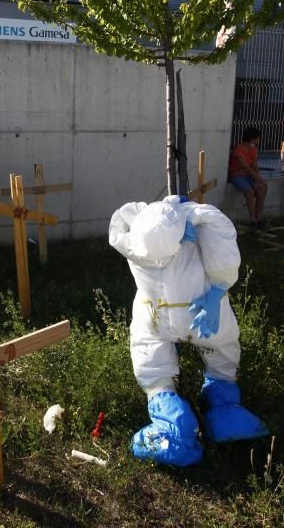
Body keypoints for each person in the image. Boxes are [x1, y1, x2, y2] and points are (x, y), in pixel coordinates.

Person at [109, 196, 268, 467]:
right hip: (194, 309)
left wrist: (218, 289)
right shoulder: (189, 222)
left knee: (150, 351)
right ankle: (217, 406)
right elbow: (224, 253)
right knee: (219, 345)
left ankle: (174, 418)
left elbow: (220, 249)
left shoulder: (135, 229)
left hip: (168, 313)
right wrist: (218, 290)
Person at [228, 127, 268, 229]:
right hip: (237, 175)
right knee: (249, 192)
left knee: (261, 190)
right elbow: (247, 168)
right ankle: (252, 221)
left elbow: (254, 166)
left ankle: (258, 219)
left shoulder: (253, 149)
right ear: (252, 139)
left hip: (249, 176)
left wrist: (258, 180)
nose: (259, 141)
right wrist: (261, 180)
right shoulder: (238, 150)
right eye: (257, 138)